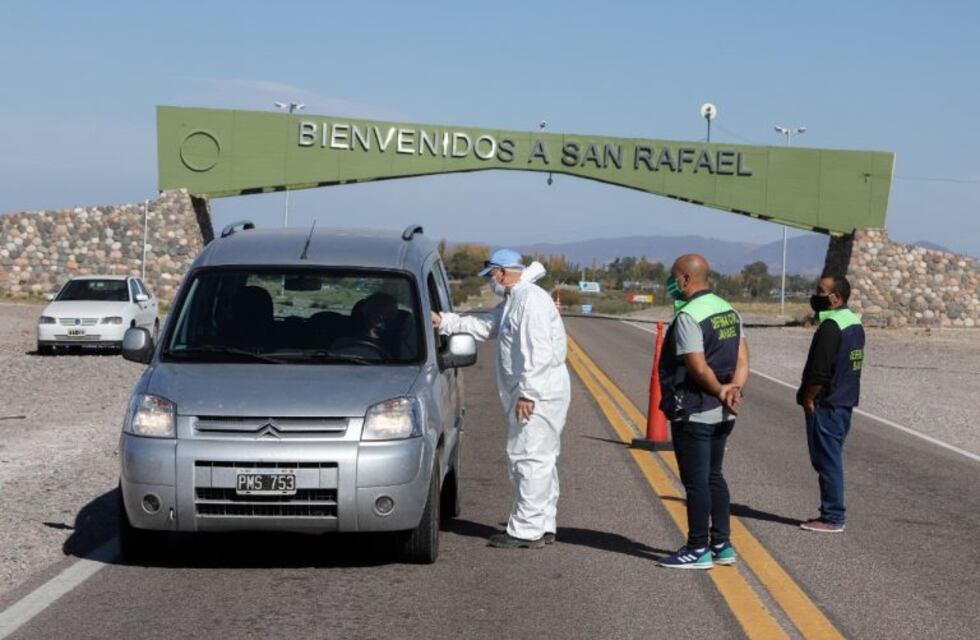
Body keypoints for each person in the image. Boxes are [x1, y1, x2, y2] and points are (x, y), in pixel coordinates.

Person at [432, 249, 570, 549]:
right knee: (541, 458)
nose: (490, 282)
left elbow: (538, 352)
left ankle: (526, 530)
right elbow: (485, 326)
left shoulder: (530, 301)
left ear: (503, 272)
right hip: (539, 390)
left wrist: (528, 394)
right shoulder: (515, 300)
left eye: (491, 276)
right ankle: (543, 523)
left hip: (539, 392)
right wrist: (443, 322)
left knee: (529, 458)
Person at [657, 254, 750, 570]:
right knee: (714, 476)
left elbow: (696, 366)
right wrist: (733, 389)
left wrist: (719, 390)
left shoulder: (689, 316)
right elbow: (742, 360)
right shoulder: (728, 309)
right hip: (725, 412)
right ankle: (722, 544)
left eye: (673, 277)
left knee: (696, 482)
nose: (671, 283)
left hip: (696, 409)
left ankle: (697, 547)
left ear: (685, 278)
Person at [796, 274, 865, 533]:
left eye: (820, 291)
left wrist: (808, 398)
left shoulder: (831, 326)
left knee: (827, 461)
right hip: (844, 402)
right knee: (830, 458)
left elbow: (820, 372)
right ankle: (831, 513)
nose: (816, 295)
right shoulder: (853, 323)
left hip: (826, 404)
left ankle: (832, 516)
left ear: (835, 297)